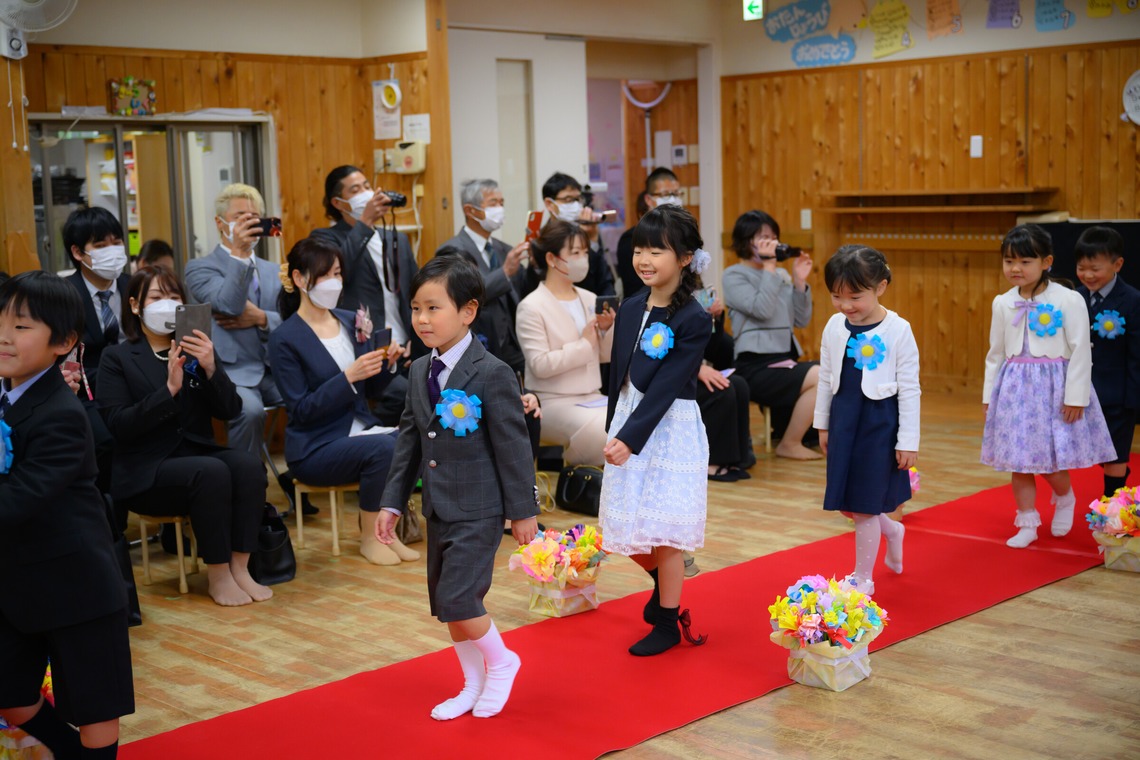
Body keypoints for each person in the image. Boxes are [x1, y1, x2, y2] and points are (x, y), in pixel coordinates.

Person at [377, 255, 539, 720]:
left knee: (460, 598)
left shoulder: (491, 372)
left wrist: (522, 511)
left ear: (468, 311)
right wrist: (391, 502)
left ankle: (503, 662)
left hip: (481, 506)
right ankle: (472, 683)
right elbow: (409, 441)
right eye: (415, 309)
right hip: (439, 507)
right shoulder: (417, 371)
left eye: (434, 308)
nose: (422, 320)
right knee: (446, 605)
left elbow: (513, 447)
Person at [0, 271, 134, 759]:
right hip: (19, 581)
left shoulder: (59, 413)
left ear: (64, 343)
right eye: (1, 321)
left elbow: (22, 497)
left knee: (95, 709)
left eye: (21, 327)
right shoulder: (8, 397)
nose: (4, 336)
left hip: (76, 584)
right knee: (11, 695)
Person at [97, 266, 271, 606]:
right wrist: (168, 391)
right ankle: (218, 575)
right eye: (157, 297)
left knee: (248, 465)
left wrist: (211, 369)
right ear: (135, 305)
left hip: (195, 452)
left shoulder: (196, 346)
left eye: (173, 297)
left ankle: (241, 568)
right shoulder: (116, 358)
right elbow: (119, 424)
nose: (167, 304)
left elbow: (231, 409)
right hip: (146, 470)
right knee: (211, 471)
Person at [599, 204, 711, 657]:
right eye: (639, 250)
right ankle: (666, 585)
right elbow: (618, 378)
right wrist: (615, 425)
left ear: (684, 258)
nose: (644, 259)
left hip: (669, 427)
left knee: (663, 532)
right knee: (624, 524)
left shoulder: (693, 318)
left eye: (657, 251)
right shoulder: (628, 308)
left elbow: (666, 388)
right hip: (631, 417)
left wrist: (630, 437)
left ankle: (667, 620)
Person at [268, 238, 417, 566]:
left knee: (412, 438)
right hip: (315, 445)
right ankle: (371, 538)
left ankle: (389, 533)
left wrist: (388, 363)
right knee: (382, 449)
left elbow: (371, 390)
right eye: (324, 276)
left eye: (337, 273)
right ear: (299, 279)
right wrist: (348, 377)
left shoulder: (351, 320)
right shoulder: (285, 338)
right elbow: (301, 409)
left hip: (358, 428)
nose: (334, 282)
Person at [982, 224, 1116, 548]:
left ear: (1047, 261)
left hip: (1053, 389)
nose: (1015, 268)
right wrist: (989, 397)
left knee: (1050, 460)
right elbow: (995, 353)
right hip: (1015, 389)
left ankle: (1064, 495)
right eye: (1009, 261)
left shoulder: (1068, 299)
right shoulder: (1002, 302)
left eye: (1025, 261)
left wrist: (1076, 397)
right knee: (1019, 460)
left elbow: (1081, 350)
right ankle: (1027, 521)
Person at [814, 246, 919, 594]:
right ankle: (892, 530)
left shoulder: (898, 330)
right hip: (845, 419)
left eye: (855, 296)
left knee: (863, 505)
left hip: (879, 425)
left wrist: (908, 441)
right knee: (852, 503)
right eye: (836, 296)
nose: (846, 306)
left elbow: (910, 389)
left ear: (881, 287)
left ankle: (862, 578)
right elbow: (826, 376)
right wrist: (823, 424)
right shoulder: (833, 326)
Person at [310, 166, 422, 426]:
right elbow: (336, 270)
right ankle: (361, 431)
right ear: (338, 202)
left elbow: (415, 290)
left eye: (367, 185)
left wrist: (416, 338)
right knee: (408, 398)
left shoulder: (397, 238)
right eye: (355, 189)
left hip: (407, 345)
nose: (366, 193)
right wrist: (364, 223)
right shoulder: (325, 238)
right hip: (366, 349)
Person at [183, 184, 285, 460]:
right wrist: (239, 253)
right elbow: (229, 304)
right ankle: (247, 486)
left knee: (316, 397)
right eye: (240, 216)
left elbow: (290, 320)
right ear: (220, 223)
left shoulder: (274, 270)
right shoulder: (200, 267)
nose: (248, 222)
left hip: (272, 368)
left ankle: (302, 475)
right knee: (249, 411)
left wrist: (262, 318)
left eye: (254, 216)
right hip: (231, 373)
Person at [723, 210, 821, 460]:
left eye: (773, 237)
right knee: (822, 376)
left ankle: (797, 436)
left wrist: (799, 282)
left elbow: (801, 320)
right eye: (763, 238)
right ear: (746, 240)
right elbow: (762, 310)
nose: (772, 243)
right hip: (755, 366)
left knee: (829, 372)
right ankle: (790, 443)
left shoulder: (780, 274)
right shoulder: (734, 275)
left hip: (784, 360)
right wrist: (769, 267)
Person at [515, 220, 613, 466]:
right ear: (552, 258)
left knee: (632, 415)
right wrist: (583, 344)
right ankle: (572, 473)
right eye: (575, 253)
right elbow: (540, 365)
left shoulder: (589, 298)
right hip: (551, 401)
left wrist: (608, 329)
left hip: (592, 395)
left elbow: (605, 355)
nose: (582, 259)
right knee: (603, 427)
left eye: (585, 252)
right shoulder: (531, 306)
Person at [435, 178, 529, 373]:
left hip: (512, 344)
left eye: (502, 203)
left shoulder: (504, 249)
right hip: (479, 343)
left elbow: (525, 289)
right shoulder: (452, 251)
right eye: (493, 203)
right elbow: (465, 294)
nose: (500, 209)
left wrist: (535, 264)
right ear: (470, 210)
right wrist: (504, 272)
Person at [1074, 226, 1140, 497]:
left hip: (1117, 394)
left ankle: (1113, 510)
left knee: (1115, 454)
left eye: (1095, 268)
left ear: (1118, 264)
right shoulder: (1074, 297)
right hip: (1079, 392)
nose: (1088, 275)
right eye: (1081, 268)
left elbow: (1137, 355)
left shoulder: (1133, 300)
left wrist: (1133, 400)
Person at [539, 172, 616, 299]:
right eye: (568, 200)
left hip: (592, 308)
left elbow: (604, 278)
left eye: (577, 199)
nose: (575, 205)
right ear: (549, 204)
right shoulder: (542, 238)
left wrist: (592, 241)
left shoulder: (586, 229)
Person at [615, 167, 682, 299]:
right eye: (665, 195)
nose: (673, 199)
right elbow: (634, 288)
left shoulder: (682, 233)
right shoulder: (632, 238)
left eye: (676, 194)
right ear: (649, 200)